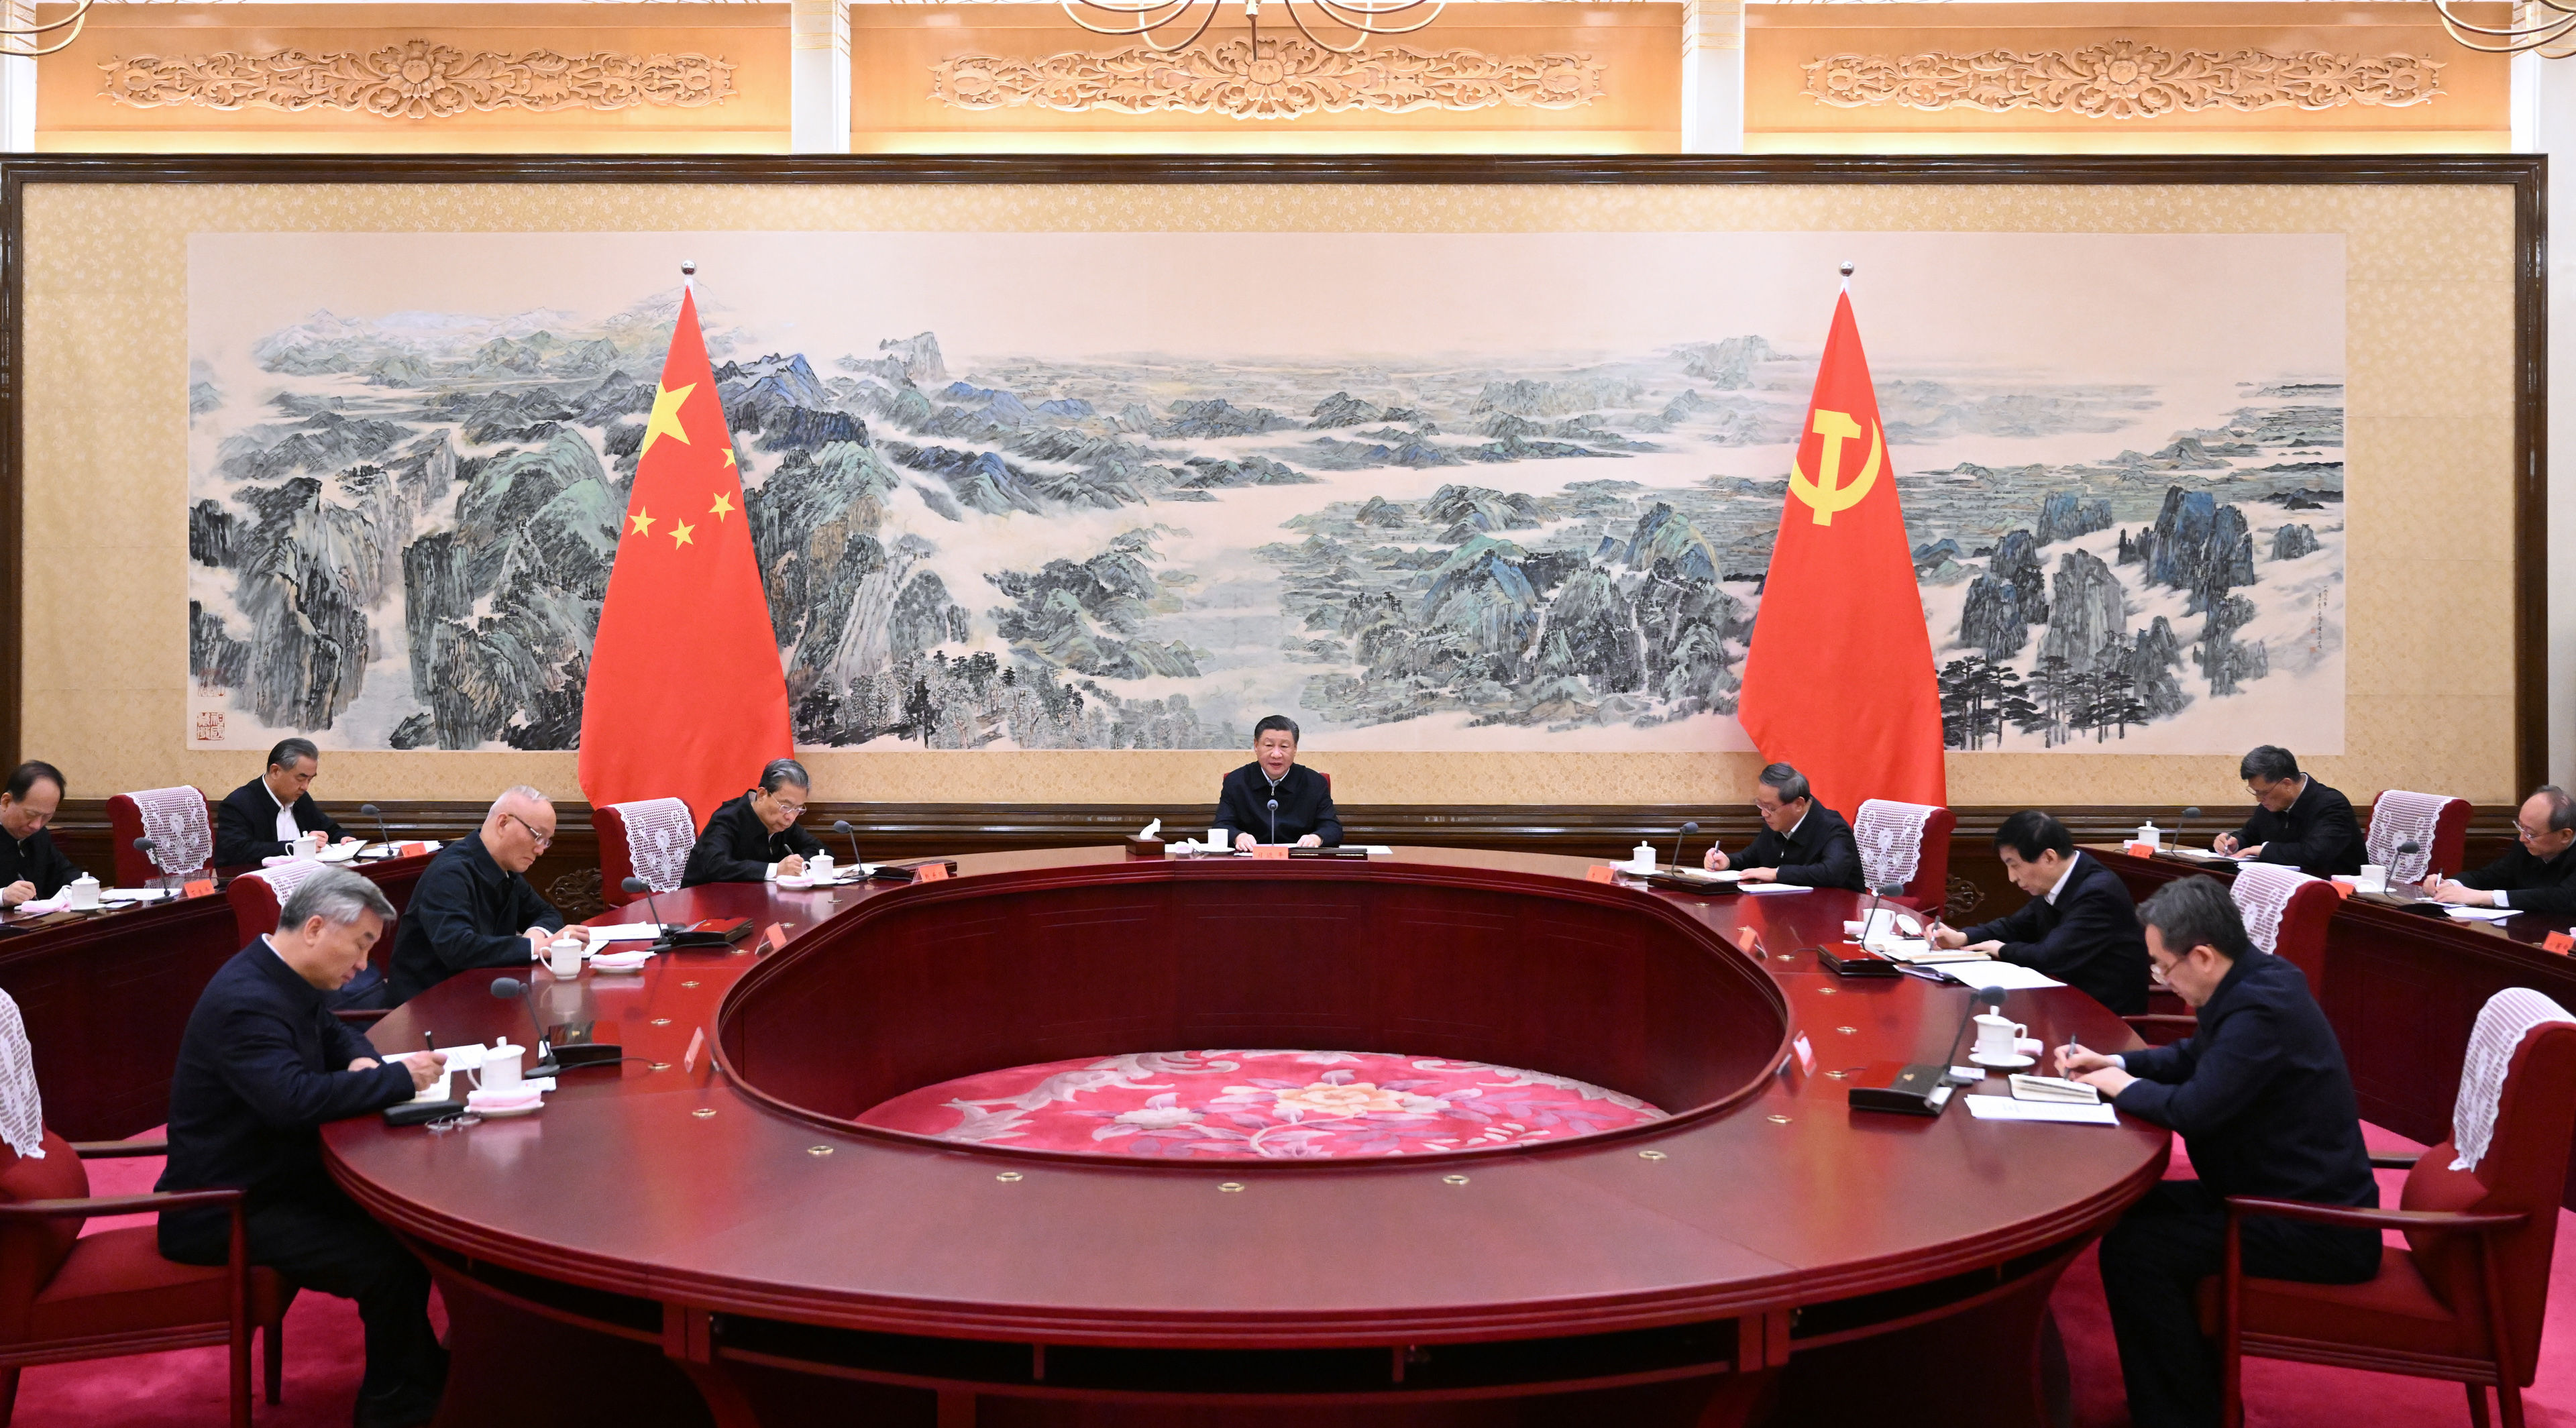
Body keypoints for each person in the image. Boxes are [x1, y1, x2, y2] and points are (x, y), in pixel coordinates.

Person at [2055, 875, 2379, 1428]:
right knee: (2132, 1214)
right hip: (2266, 1192)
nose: (2160, 978)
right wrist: (2117, 1062)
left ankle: (2184, 1417)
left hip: (2314, 1224)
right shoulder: (2253, 980)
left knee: (2139, 1251)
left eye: (2163, 966)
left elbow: (2193, 1109)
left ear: (2202, 955)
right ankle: (2188, 1400)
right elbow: (2194, 1056)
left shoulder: (2262, 1008)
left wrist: (2118, 1087)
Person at [158, 867, 450, 1428]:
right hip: (224, 1204)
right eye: (361, 944)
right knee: (386, 1261)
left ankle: (416, 1374)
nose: (364, 964)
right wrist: (396, 1078)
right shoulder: (247, 999)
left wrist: (363, 1060)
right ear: (315, 927)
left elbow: (335, 1032)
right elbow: (292, 1100)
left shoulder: (281, 974)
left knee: (409, 1225)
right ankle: (395, 1408)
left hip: (276, 1174)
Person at [1928, 810, 2149, 1014]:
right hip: (2063, 1004)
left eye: (2014, 865)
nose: (2012, 877)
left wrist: (2002, 950)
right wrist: (1962, 937)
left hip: (2104, 1018)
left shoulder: (2097, 892)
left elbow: (2050, 956)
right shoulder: (2062, 879)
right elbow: (2016, 926)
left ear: (2049, 858)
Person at [386, 787, 563, 1005]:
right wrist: (535, 948)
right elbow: (458, 948)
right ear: (503, 823)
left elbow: (547, 914)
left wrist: (536, 935)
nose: (540, 850)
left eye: (546, 841)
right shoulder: (451, 872)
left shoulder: (506, 869)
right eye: (538, 836)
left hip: (478, 995)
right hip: (427, 1007)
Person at [1701, 761, 1862, 889]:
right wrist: (1727, 862)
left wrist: (1777, 874)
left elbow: (1831, 873)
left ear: (1798, 804)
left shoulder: (1833, 828)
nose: (1764, 814)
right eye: (1760, 804)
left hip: (1835, 913)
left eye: (1770, 808)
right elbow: (1750, 857)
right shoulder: (1776, 824)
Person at [2212, 745, 2363, 877]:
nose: (2258, 799)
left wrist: (2264, 850)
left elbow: (2314, 854)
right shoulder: (2271, 804)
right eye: (2255, 792)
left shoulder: (2331, 804)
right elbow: (2250, 835)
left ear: (2287, 784)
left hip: (2340, 891)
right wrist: (2234, 842)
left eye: (2263, 792)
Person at [2426, 785, 2576, 917]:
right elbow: (2491, 876)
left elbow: (2564, 898)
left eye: (2531, 833)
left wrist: (2486, 897)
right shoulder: (2525, 846)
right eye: (2520, 827)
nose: (2522, 838)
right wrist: (2450, 885)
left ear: (2565, 835)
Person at [684, 759, 828, 885]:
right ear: (762, 795)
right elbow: (715, 865)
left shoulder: (782, 823)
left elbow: (821, 851)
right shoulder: (728, 818)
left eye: (798, 809)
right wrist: (776, 869)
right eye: (785, 806)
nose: (791, 817)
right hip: (705, 901)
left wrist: (797, 864)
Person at [214, 736, 355, 867]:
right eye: (301, 778)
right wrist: (298, 847)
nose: (305, 787)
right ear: (275, 771)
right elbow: (238, 851)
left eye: (310, 779)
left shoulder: (301, 799)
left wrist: (344, 839)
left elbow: (330, 829)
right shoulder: (238, 804)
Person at [1218, 716, 1341, 850]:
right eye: (1269, 745)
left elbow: (1332, 828)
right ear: (1256, 746)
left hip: (1298, 858)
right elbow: (1222, 825)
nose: (1276, 754)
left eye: (1284, 746)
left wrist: (1317, 838)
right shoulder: (1236, 781)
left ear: (1295, 748)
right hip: (1251, 858)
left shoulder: (1314, 782)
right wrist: (1238, 836)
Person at [0, 761, 83, 906]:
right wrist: (2, 896)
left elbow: (62, 873)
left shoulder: (39, 836)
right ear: (6, 802)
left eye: (46, 817)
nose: (37, 825)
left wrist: (84, 885)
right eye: (31, 814)